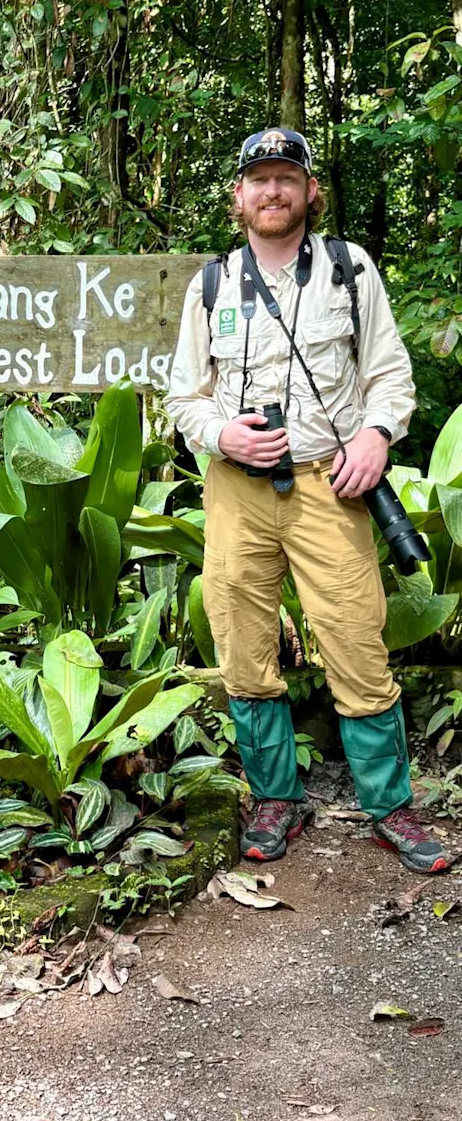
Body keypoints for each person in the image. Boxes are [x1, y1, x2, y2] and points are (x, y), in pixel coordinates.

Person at [164, 127, 451, 874]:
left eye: (286, 177)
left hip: (331, 482)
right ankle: (275, 797)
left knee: (357, 636)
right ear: (238, 195)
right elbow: (183, 396)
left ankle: (391, 806)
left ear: (309, 190)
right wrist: (224, 434)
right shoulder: (212, 286)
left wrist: (377, 436)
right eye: (258, 179)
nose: (272, 190)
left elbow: (390, 376)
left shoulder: (349, 272)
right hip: (238, 492)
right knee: (243, 643)